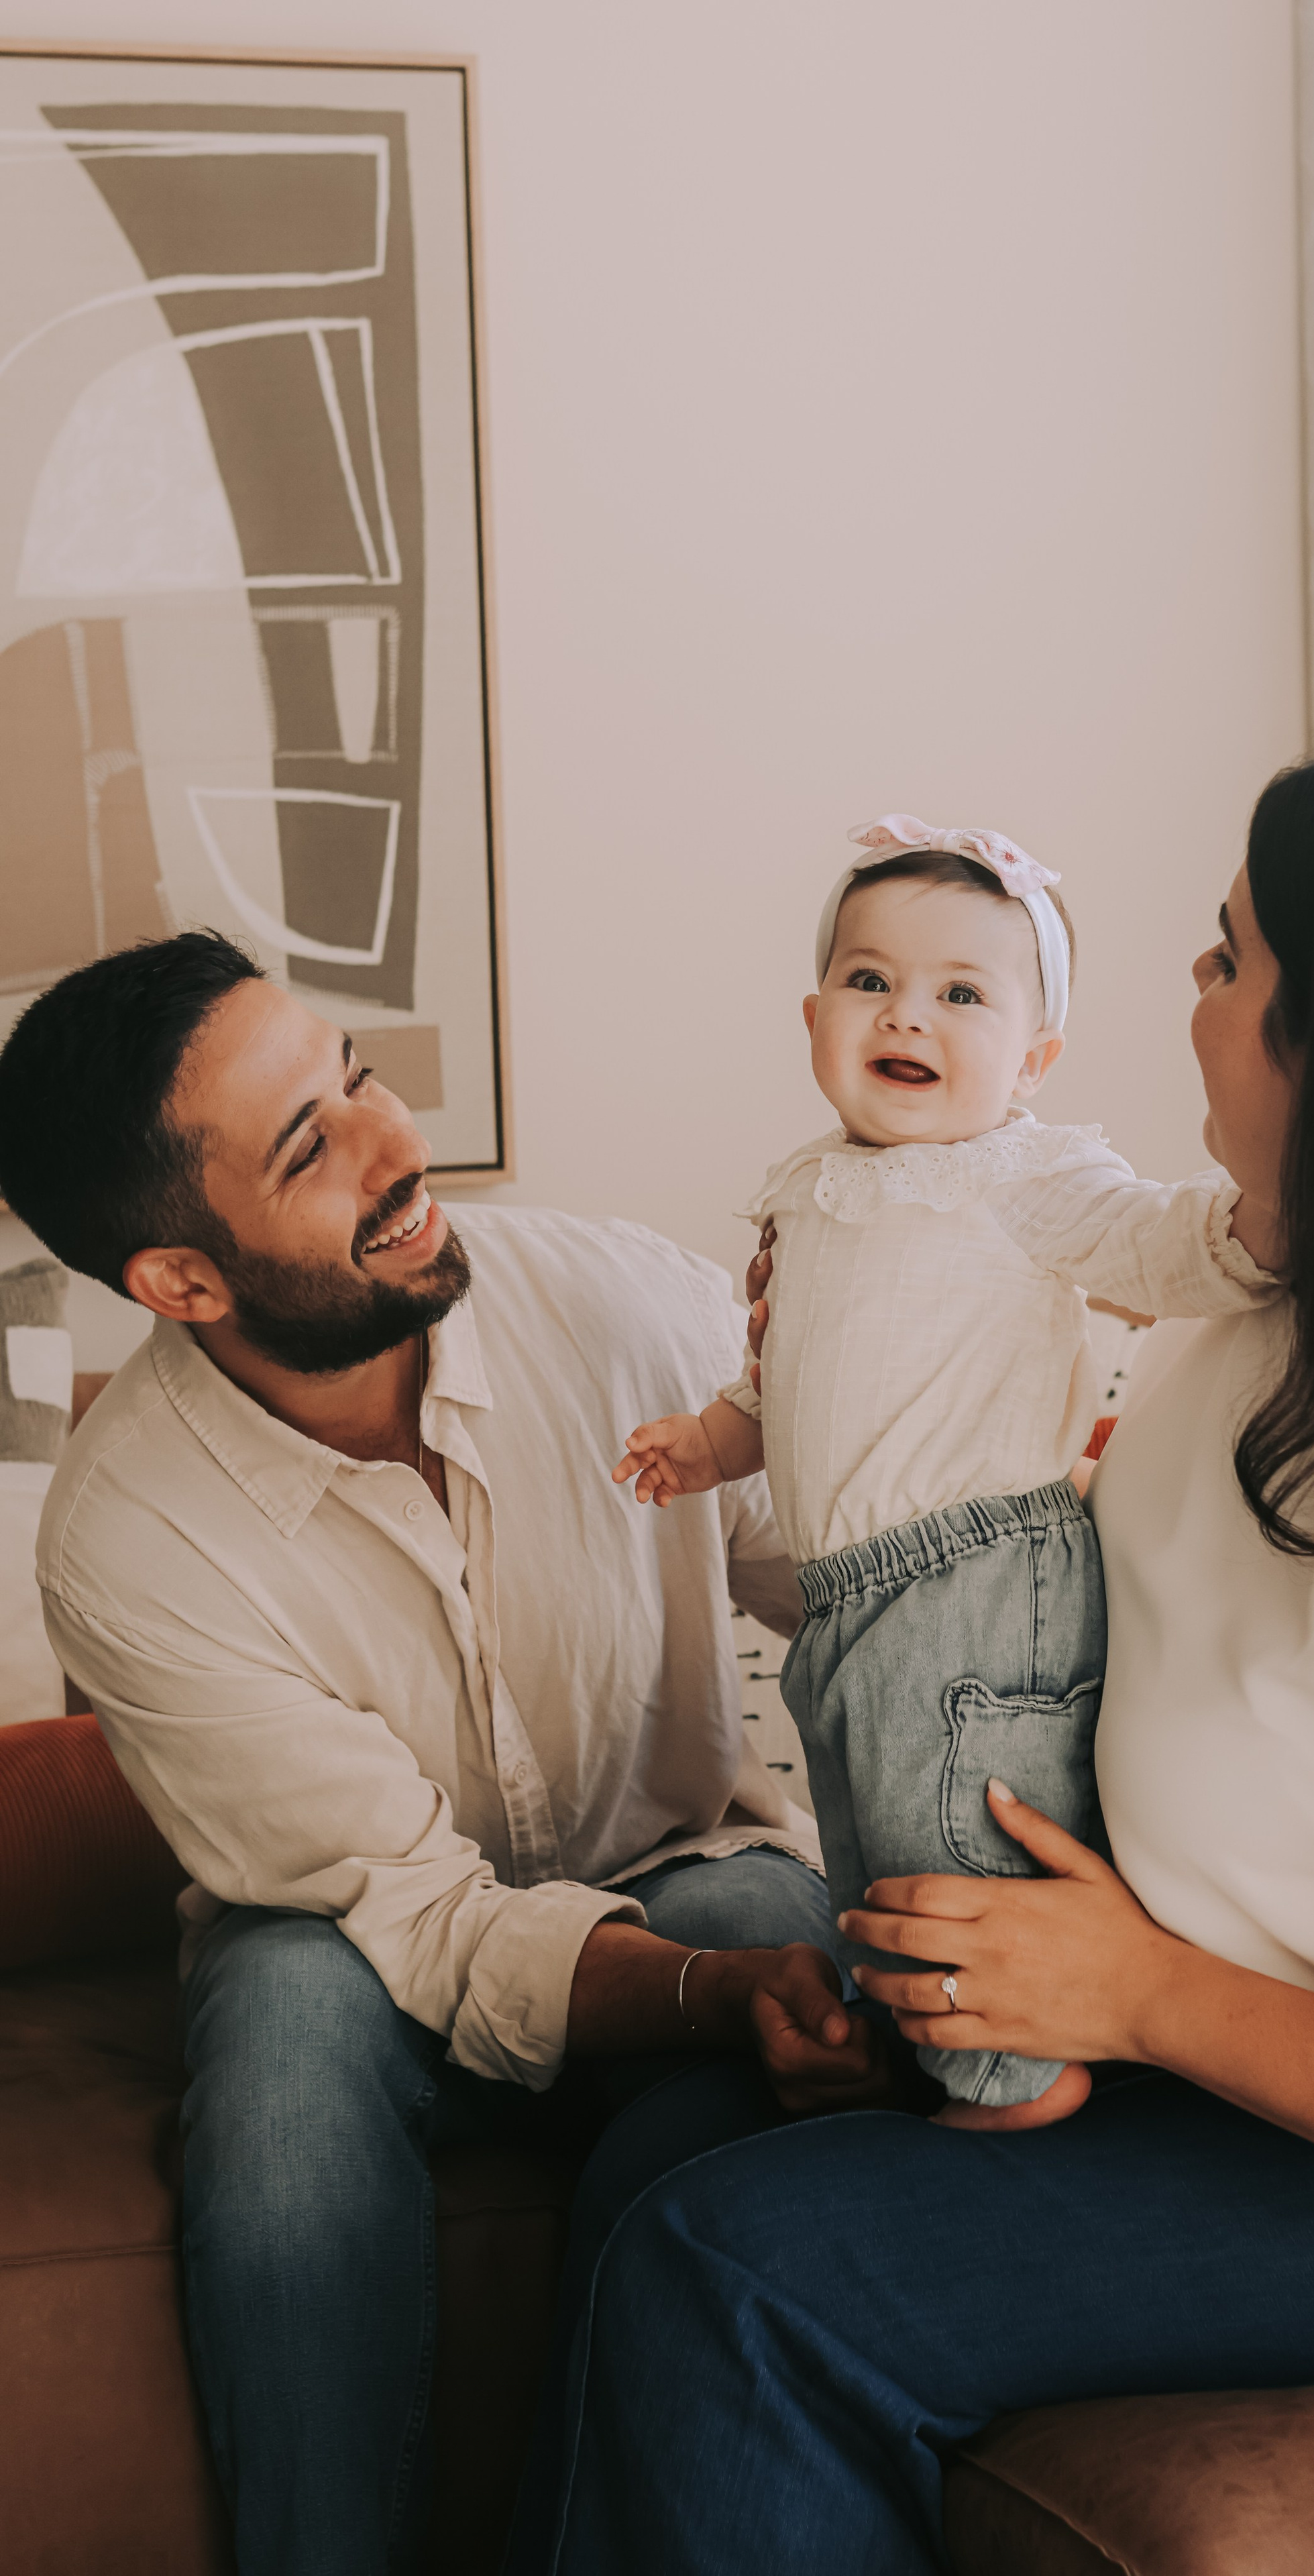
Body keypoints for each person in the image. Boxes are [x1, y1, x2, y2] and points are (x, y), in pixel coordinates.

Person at [512, 742, 1314, 2575]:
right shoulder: (1259, 1298)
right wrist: (966, 1992)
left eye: (1228, 962)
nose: (1191, 996)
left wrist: (1132, 1996)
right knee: (655, 2142)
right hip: (1235, 2052)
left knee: (732, 2272)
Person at [0, 931, 891, 2576]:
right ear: (180, 1282)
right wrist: (706, 2008)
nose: (397, 1146)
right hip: (350, 1944)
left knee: (762, 1972)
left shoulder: (623, 1306)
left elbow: (869, 1588)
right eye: (309, 1146)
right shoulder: (127, 1536)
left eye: (354, 1077)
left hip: (681, 1873)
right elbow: (418, 1920)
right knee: (274, 2043)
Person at [614, 813, 1276, 2123]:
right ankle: (925, 2067)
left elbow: (1161, 1246)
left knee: (956, 1863)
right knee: (871, 1872)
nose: (904, 1015)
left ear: (1031, 1059)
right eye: (869, 981)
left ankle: (1014, 2092)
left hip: (979, 1583)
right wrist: (708, 1438)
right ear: (813, 1016)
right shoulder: (806, 1192)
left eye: (958, 994)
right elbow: (782, 1375)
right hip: (847, 1602)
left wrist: (1268, 1224)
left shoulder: (1025, 1175)